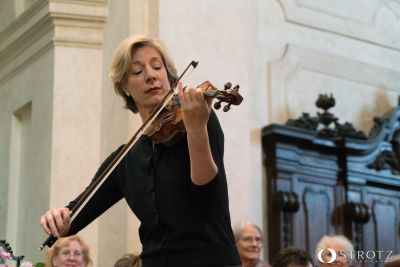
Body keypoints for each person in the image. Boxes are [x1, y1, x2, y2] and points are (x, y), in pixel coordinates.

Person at [40, 35, 241, 267]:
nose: (151, 75)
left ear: (170, 77)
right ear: (124, 86)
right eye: (137, 71)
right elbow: (74, 216)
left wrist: (196, 130)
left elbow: (206, 194)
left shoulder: (198, 120)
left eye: (157, 67)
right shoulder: (125, 159)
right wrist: (59, 217)